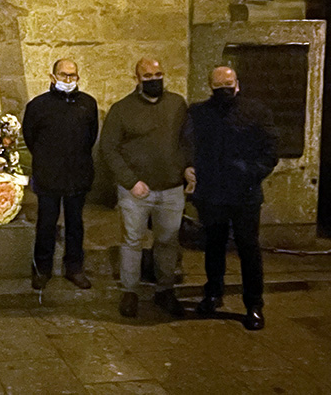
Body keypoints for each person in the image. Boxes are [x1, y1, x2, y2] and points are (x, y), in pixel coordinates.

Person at [183, 66, 278, 330]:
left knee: (248, 249)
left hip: (244, 193)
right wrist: (190, 167)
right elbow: (189, 144)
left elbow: (270, 151)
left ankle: (254, 305)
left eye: (228, 82)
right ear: (211, 86)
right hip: (212, 193)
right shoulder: (199, 113)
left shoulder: (256, 112)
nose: (224, 87)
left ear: (237, 84)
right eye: (219, 83)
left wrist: (248, 172)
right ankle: (213, 293)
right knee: (213, 246)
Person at [101, 58, 187, 318]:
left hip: (171, 188)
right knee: (132, 241)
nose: (154, 79)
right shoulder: (122, 109)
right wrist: (130, 181)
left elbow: (187, 139)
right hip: (135, 190)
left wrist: (188, 168)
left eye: (158, 73)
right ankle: (130, 292)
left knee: (168, 241)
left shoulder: (177, 104)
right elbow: (109, 149)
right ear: (137, 79)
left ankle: (165, 290)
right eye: (147, 75)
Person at [22, 59, 98, 290]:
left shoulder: (88, 104)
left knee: (75, 223)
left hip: (78, 174)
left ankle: (74, 267)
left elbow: (91, 136)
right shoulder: (38, 106)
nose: (68, 80)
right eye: (63, 75)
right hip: (49, 175)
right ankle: (42, 269)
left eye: (72, 76)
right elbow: (30, 137)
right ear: (53, 76)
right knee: (46, 224)